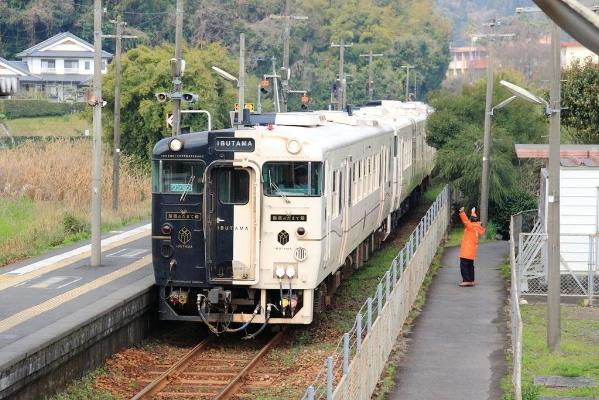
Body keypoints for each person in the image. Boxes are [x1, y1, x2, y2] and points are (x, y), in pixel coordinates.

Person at [458, 206, 485, 287]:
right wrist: (473, 212)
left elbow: (466, 221)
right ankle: (471, 280)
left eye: (470, 218)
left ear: (471, 220)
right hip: (472, 251)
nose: (469, 219)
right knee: (470, 266)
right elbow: (469, 221)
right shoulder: (477, 227)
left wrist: (462, 212)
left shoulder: (471, 227)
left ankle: (466, 280)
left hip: (467, 250)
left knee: (464, 265)